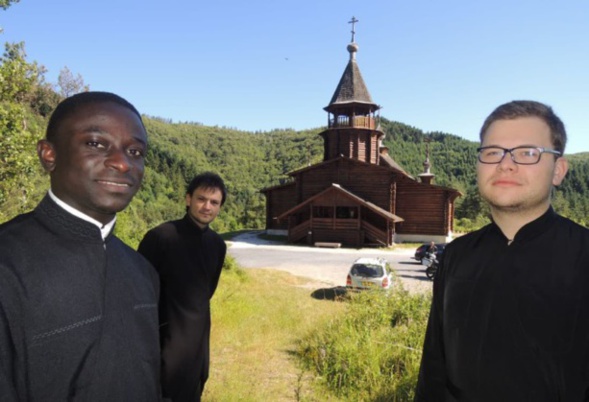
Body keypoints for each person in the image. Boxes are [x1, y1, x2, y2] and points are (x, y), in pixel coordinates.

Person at [415, 100, 589, 401]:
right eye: (492, 152)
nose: (505, 164)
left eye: (527, 153)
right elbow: (434, 368)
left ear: (558, 170)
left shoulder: (584, 255)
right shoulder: (455, 256)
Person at [0, 91, 161, 400]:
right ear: (49, 155)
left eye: (135, 152)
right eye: (96, 144)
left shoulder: (142, 271)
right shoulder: (7, 266)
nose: (123, 163)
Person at [138, 172, 227, 402]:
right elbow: (138, 295)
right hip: (162, 347)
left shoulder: (217, 245)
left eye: (214, 202)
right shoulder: (160, 237)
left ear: (219, 207)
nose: (207, 206)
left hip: (197, 349)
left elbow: (206, 294)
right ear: (188, 199)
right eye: (201, 199)